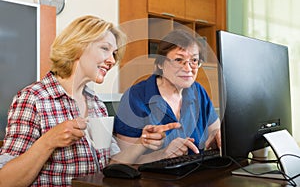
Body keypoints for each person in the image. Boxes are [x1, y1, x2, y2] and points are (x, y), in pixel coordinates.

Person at [0, 15, 180, 187]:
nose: (112, 60)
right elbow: (6, 181)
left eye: (114, 53)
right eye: (104, 49)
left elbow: (112, 164)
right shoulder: (33, 99)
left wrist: (143, 143)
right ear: (78, 46)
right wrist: (48, 142)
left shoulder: (97, 104)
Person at [114, 29, 221, 163]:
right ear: (160, 63)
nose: (188, 69)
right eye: (178, 60)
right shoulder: (135, 97)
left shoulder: (197, 91)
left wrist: (216, 136)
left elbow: (215, 129)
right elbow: (123, 163)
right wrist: (163, 154)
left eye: (194, 60)